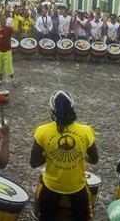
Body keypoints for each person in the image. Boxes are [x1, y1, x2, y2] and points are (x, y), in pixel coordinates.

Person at [30, 91, 99, 221]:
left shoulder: (42, 131)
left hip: (51, 186)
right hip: (77, 187)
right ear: (72, 107)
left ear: (52, 109)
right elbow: (95, 160)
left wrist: (49, 154)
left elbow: (34, 163)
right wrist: (82, 154)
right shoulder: (86, 131)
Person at [0, 17, 14, 86]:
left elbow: (17, 31)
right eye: (2, 19)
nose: (3, 21)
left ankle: (12, 80)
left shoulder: (9, 29)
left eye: (4, 19)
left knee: (9, 66)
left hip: (7, 51)